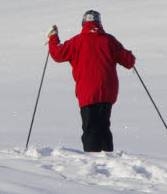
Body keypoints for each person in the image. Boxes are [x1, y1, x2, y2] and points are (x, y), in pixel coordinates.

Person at [47, 9, 136, 152]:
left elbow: (57, 54)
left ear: (83, 23)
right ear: (99, 23)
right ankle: (108, 157)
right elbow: (129, 61)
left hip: (87, 92)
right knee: (104, 126)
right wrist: (129, 55)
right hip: (108, 91)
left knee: (90, 127)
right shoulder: (109, 40)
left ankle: (92, 159)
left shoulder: (77, 42)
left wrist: (53, 37)